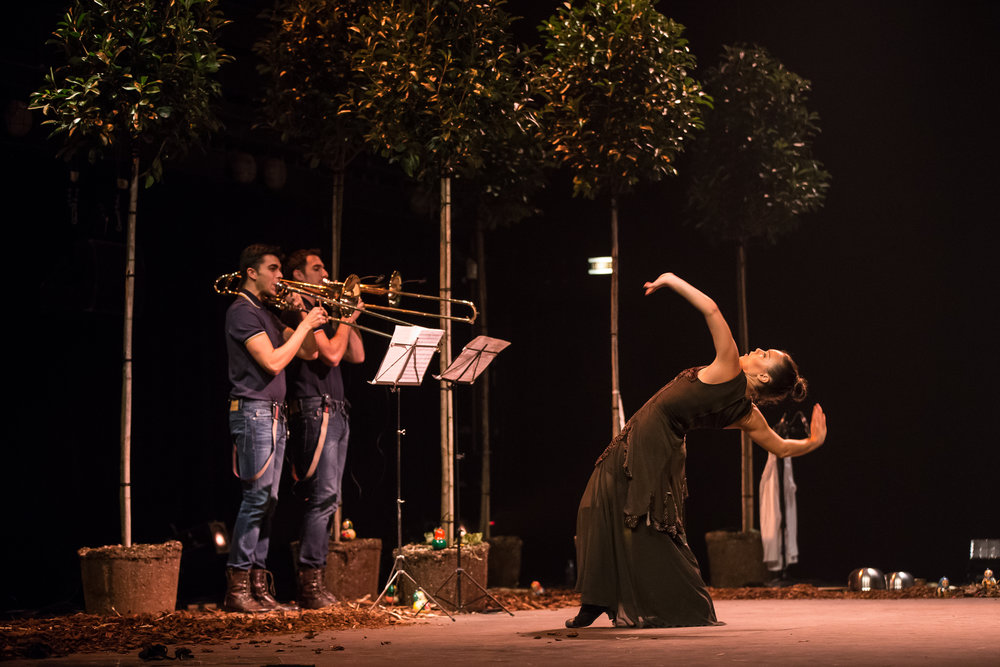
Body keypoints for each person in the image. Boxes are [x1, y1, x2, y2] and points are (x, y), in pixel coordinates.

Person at [567, 272, 827, 629]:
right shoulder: (746, 412)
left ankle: (602, 600)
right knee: (626, 514)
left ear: (764, 377)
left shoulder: (729, 368)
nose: (758, 350)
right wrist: (812, 443)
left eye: (766, 355)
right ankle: (602, 599)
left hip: (651, 439)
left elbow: (712, 309)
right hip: (663, 443)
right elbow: (779, 448)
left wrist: (671, 280)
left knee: (604, 505)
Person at [223, 244, 328, 613]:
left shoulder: (266, 313)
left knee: (268, 503)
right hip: (254, 412)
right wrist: (304, 326)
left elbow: (310, 352)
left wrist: (302, 315)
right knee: (256, 501)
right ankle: (237, 588)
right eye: (273, 268)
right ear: (252, 272)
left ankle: (258, 586)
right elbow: (272, 361)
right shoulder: (241, 312)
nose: (279, 275)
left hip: (272, 414)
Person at [282, 249, 366, 609]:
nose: (326, 273)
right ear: (298, 274)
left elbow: (356, 355)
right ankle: (310, 584)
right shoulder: (297, 309)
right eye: (317, 268)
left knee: (329, 498)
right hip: (316, 409)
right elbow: (330, 355)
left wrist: (351, 316)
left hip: (336, 409)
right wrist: (345, 319)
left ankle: (313, 582)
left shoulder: (322, 311)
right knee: (323, 497)